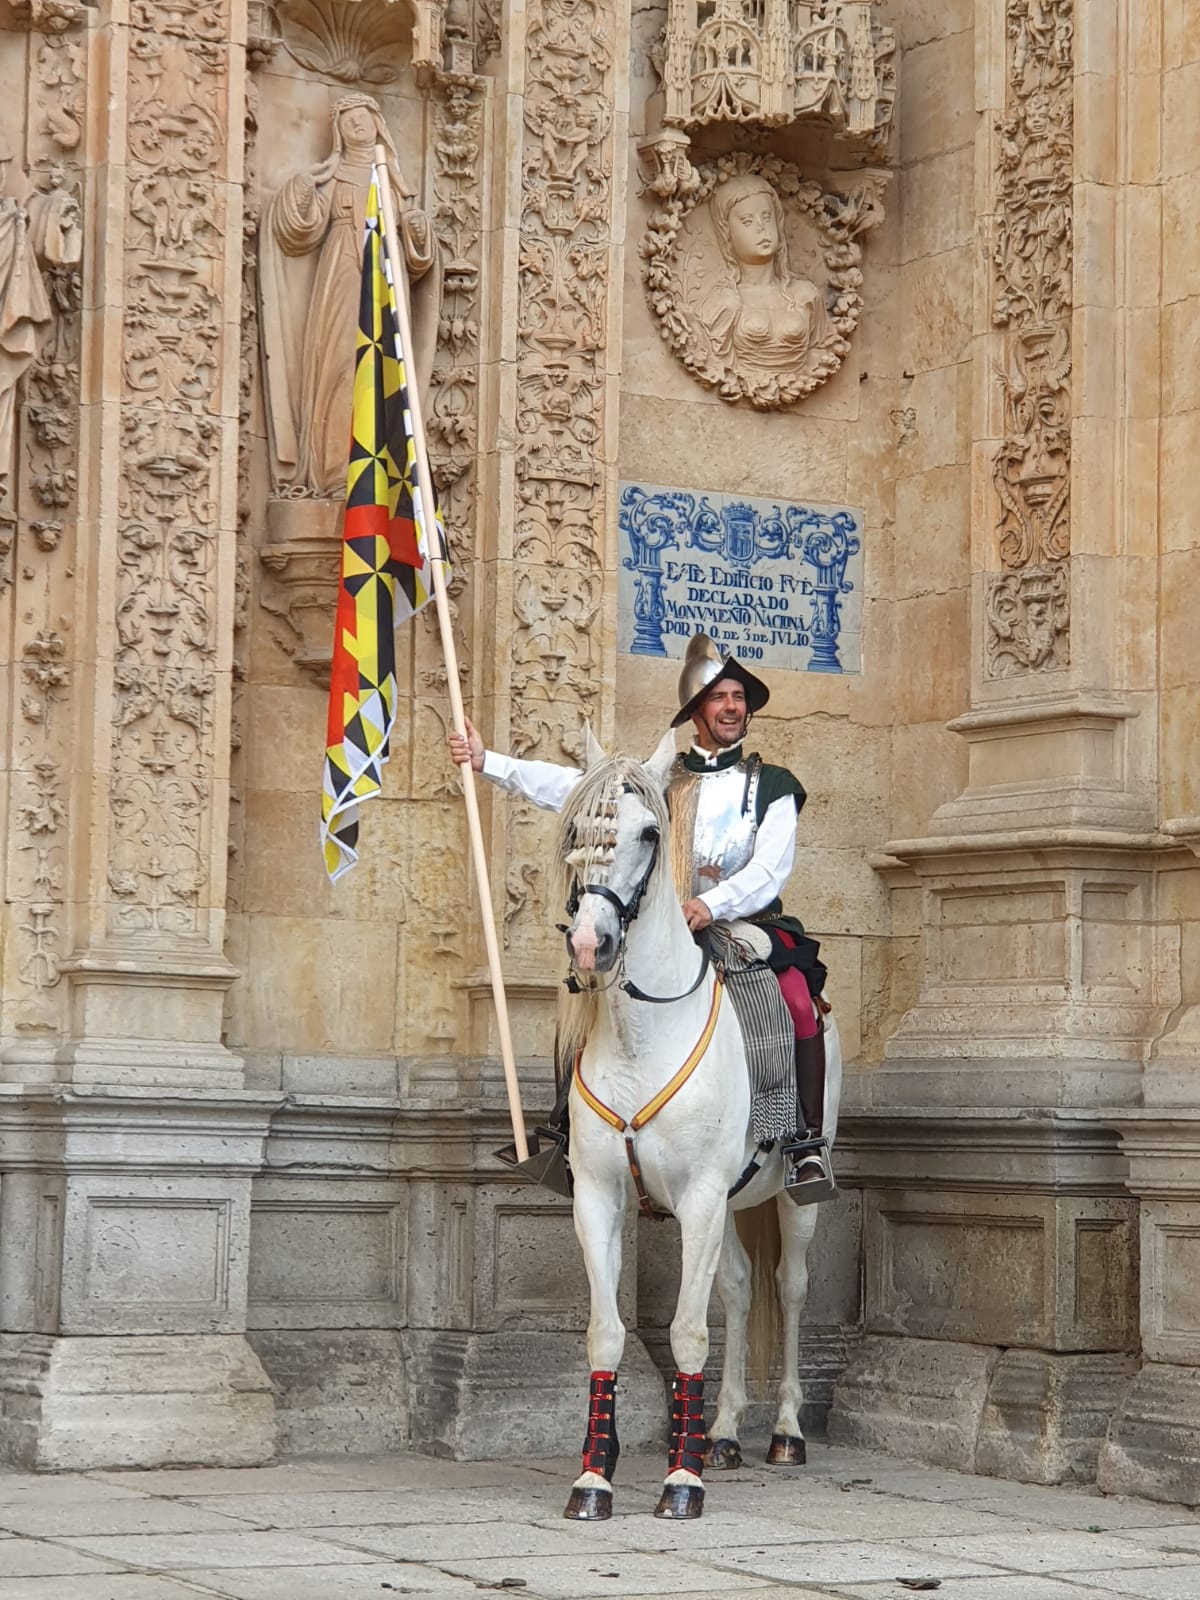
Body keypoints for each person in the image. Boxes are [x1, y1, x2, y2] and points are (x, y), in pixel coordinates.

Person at [448, 632, 833, 1201]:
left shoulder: (772, 784)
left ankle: (804, 1144)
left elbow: (770, 869)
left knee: (797, 998)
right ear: (696, 712)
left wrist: (710, 904)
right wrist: (488, 763)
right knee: (584, 996)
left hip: (741, 923)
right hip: (659, 926)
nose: (734, 707)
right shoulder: (657, 780)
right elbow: (571, 789)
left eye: (739, 698)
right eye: (721, 697)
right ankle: (563, 1132)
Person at [259, 92, 440, 496]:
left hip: (385, 277)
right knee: (341, 367)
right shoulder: (334, 175)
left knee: (384, 373)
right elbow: (299, 228)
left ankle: (385, 482)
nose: (357, 124)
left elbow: (417, 258)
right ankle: (333, 472)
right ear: (338, 132)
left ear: (378, 123)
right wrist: (304, 189)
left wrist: (416, 230)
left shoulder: (394, 184)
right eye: (348, 120)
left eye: (363, 117)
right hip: (342, 272)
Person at [699, 171, 834, 381]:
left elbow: (823, 350)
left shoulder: (806, 295)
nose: (761, 228)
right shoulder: (725, 303)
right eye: (747, 221)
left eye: (767, 217)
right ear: (727, 234)